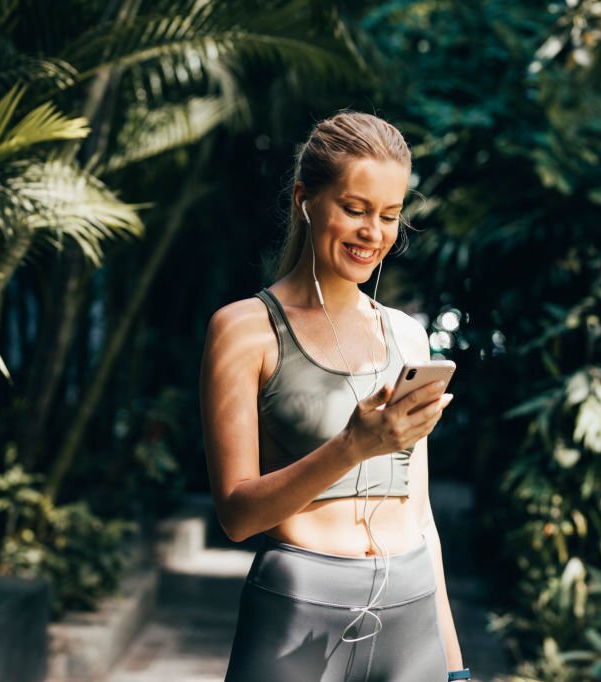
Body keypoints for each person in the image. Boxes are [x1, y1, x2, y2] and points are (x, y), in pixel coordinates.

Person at [200, 111, 469, 682]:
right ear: (306, 199)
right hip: (296, 610)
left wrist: (455, 665)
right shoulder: (245, 329)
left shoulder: (407, 335)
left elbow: (420, 516)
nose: (374, 233)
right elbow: (237, 515)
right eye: (355, 209)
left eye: (390, 216)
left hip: (412, 613)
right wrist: (352, 446)